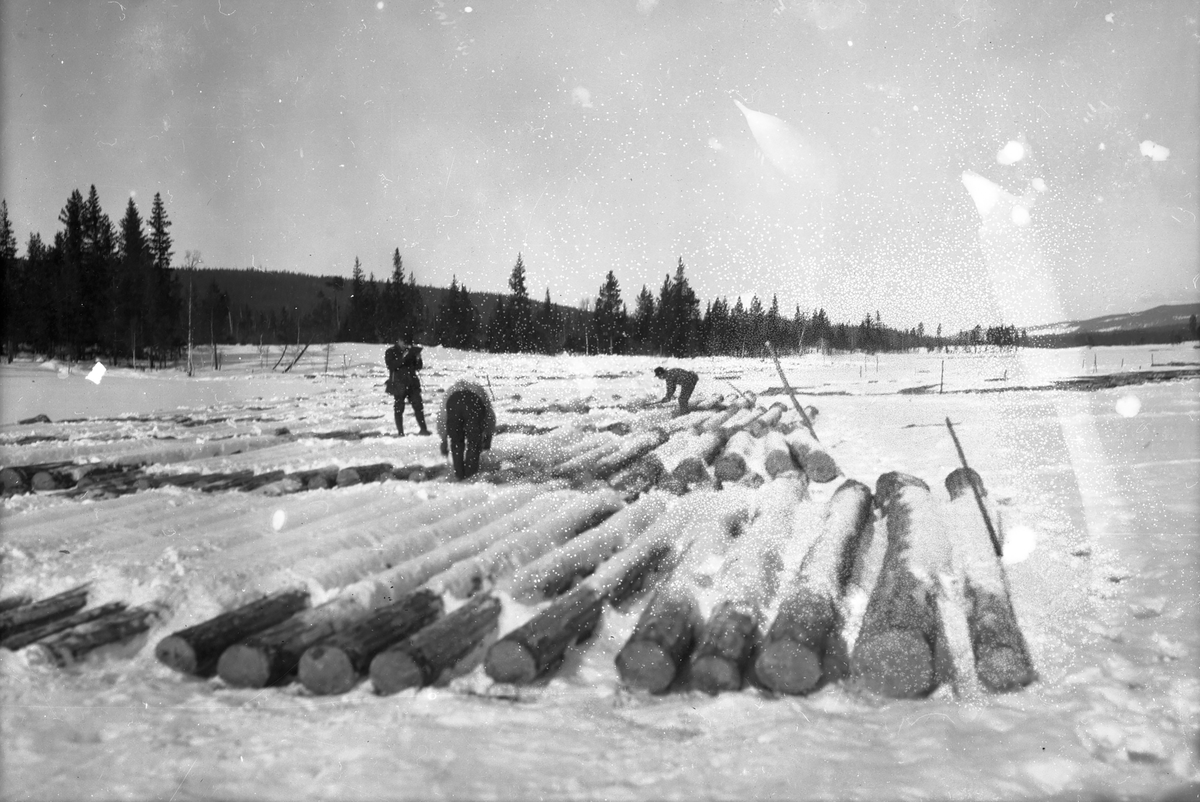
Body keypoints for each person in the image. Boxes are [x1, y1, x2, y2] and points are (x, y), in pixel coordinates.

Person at [437, 379, 496, 480]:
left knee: (456, 443)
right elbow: (489, 416)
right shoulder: (478, 390)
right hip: (472, 403)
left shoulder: (451, 391)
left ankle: (459, 475)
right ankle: (470, 475)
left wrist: (443, 440)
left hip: (453, 403)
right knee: (474, 443)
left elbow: (443, 418)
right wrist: (488, 437)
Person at [384, 335, 430, 436]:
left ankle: (424, 429)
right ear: (398, 341)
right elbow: (391, 365)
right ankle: (400, 432)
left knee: (418, 406)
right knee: (399, 408)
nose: (405, 345)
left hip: (412, 383)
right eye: (404, 342)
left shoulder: (410, 351)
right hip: (398, 384)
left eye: (407, 343)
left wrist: (418, 358)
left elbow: (418, 367)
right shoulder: (390, 351)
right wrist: (403, 357)